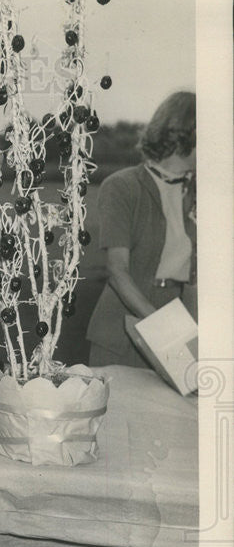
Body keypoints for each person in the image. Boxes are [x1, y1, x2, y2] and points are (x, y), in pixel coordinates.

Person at [86, 91, 197, 367]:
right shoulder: (122, 187)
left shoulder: (200, 193)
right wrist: (165, 330)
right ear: (184, 135)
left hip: (180, 329)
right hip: (122, 333)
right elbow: (117, 271)